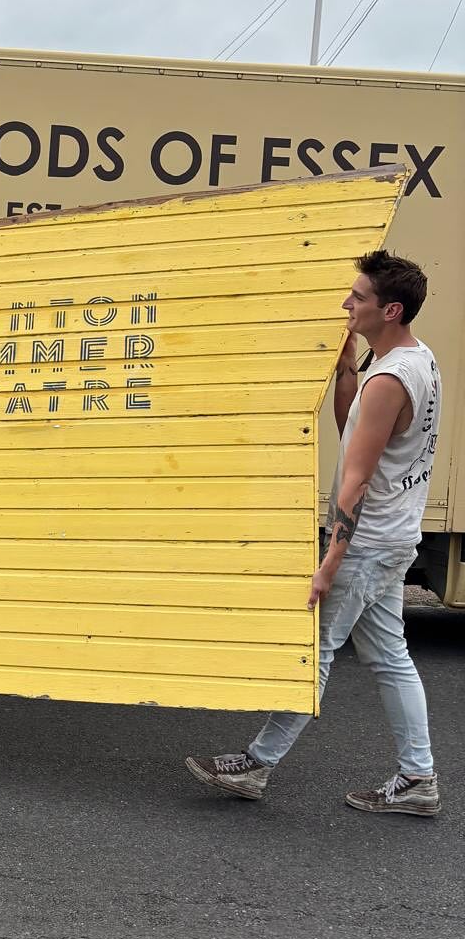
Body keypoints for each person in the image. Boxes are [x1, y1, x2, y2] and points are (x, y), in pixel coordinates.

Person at [185, 249, 442, 817]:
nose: (347, 303)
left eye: (360, 298)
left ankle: (257, 763)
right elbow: (350, 426)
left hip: (367, 542)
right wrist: (348, 365)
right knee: (391, 657)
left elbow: (354, 479)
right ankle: (418, 778)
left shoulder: (391, 380)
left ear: (391, 309)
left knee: (314, 653)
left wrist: (329, 563)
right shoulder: (414, 360)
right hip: (393, 536)